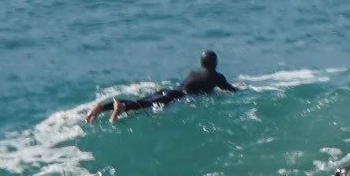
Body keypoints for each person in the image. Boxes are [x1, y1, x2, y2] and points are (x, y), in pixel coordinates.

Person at [85, 51, 238, 122]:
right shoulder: (216, 76)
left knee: (144, 100)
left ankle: (103, 107)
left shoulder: (193, 72)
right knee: (145, 105)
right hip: (178, 96)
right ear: (215, 63)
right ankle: (121, 108)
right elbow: (230, 90)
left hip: (170, 91)